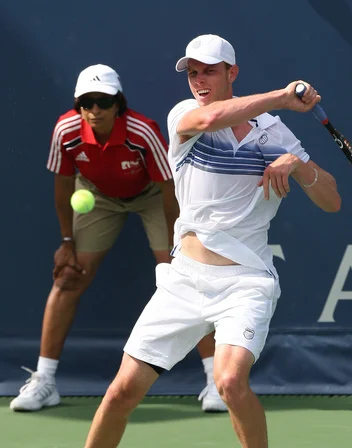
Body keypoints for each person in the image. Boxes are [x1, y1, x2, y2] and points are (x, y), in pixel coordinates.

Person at [13, 36, 341, 448]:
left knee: (231, 380)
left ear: (232, 71)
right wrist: (281, 96)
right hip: (184, 279)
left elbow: (331, 202)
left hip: (246, 282)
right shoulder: (186, 114)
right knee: (121, 392)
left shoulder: (275, 134)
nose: (198, 80)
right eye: (191, 71)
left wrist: (298, 167)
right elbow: (210, 120)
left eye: (209, 71)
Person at [9, 63, 219, 413]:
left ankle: (215, 382)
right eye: (86, 103)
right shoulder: (66, 130)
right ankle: (44, 381)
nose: (94, 111)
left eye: (103, 102)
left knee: (182, 281)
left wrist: (177, 242)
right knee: (69, 277)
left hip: (153, 196)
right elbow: (63, 188)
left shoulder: (143, 132)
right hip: (97, 197)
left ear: (117, 103)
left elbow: (170, 190)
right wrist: (66, 243)